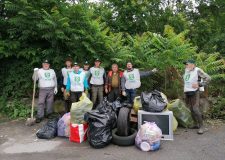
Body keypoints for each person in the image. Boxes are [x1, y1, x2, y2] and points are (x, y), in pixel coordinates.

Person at [183, 59, 211, 134]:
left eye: (187, 64)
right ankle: (196, 124)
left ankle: (202, 127)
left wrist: (200, 84)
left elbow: (208, 78)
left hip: (195, 92)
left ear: (193, 64)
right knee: (191, 109)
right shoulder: (187, 70)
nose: (186, 65)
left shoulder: (197, 70)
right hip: (188, 92)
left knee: (195, 109)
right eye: (186, 64)